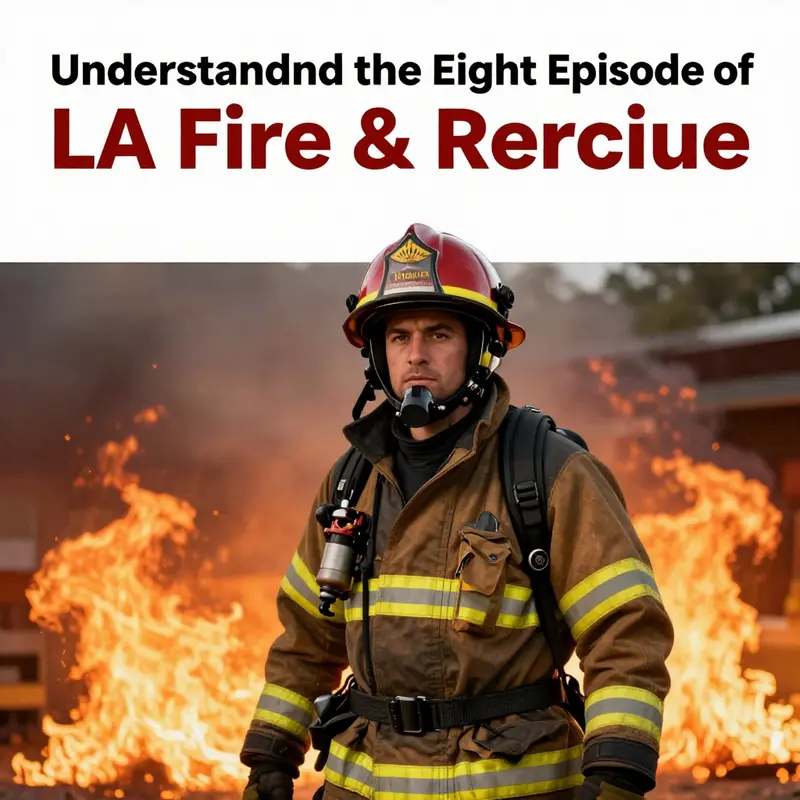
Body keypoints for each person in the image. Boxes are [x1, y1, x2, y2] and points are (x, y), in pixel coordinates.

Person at [239, 224, 675, 800]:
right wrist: (270, 757)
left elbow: (625, 632)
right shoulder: (349, 482)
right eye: (398, 336)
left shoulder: (549, 472)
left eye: (438, 333)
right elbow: (305, 638)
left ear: (480, 346)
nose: (416, 355)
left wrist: (617, 774)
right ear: (377, 353)